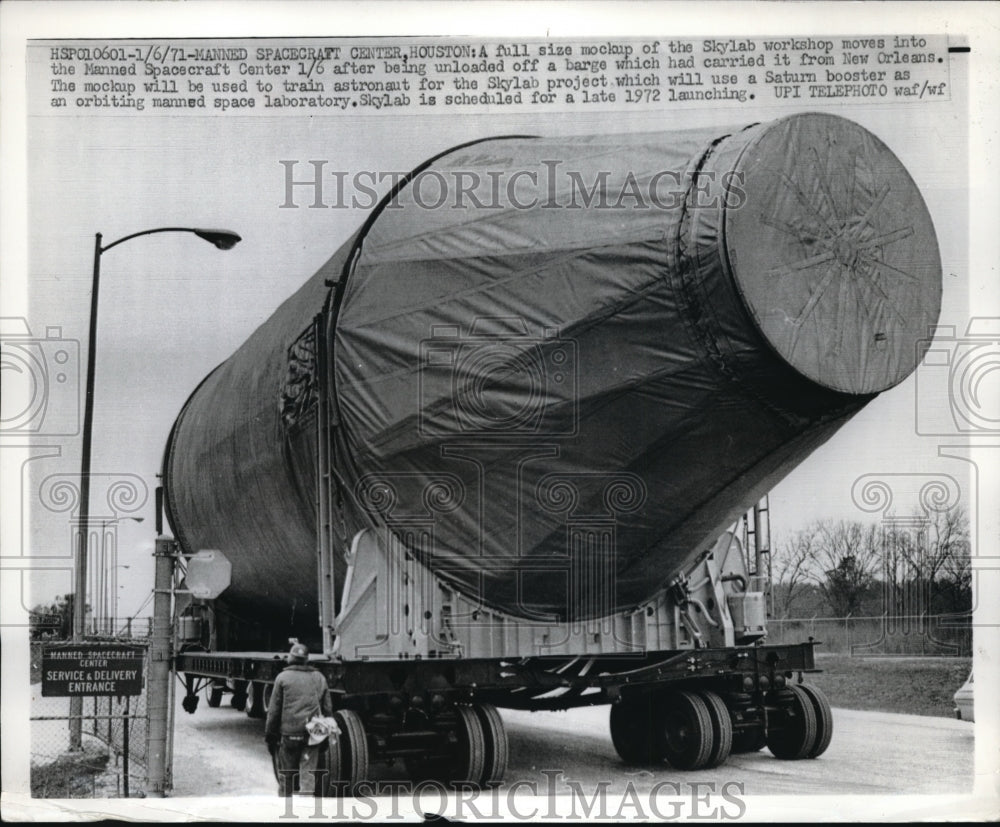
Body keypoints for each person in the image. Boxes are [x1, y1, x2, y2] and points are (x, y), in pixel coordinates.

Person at [265, 642, 333, 795]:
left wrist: (270, 735)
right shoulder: (319, 677)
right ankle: (306, 811)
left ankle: (286, 809)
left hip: (289, 735)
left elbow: (273, 712)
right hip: (312, 735)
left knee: (286, 776)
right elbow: (328, 708)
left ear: (290, 658)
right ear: (306, 659)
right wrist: (326, 735)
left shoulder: (282, 678)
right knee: (308, 777)